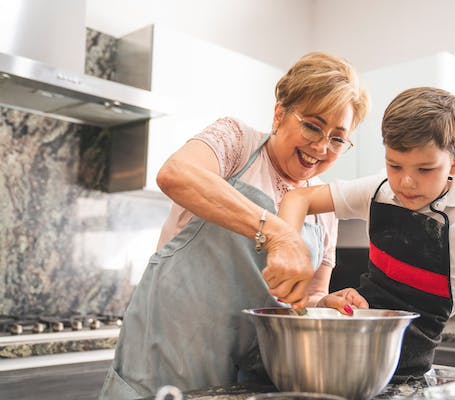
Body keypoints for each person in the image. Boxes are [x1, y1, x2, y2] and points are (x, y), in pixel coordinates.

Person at [99, 52, 370, 399]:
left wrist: (326, 304)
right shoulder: (237, 142)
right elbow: (176, 174)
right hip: (162, 369)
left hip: (244, 383)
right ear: (279, 114)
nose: (321, 147)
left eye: (336, 138)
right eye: (312, 126)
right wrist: (276, 233)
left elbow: (305, 300)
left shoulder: (323, 209)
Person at [278, 87, 455, 394]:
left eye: (425, 169)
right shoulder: (380, 189)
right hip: (361, 336)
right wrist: (287, 248)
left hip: (418, 348)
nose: (405, 182)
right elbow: (298, 198)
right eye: (394, 165)